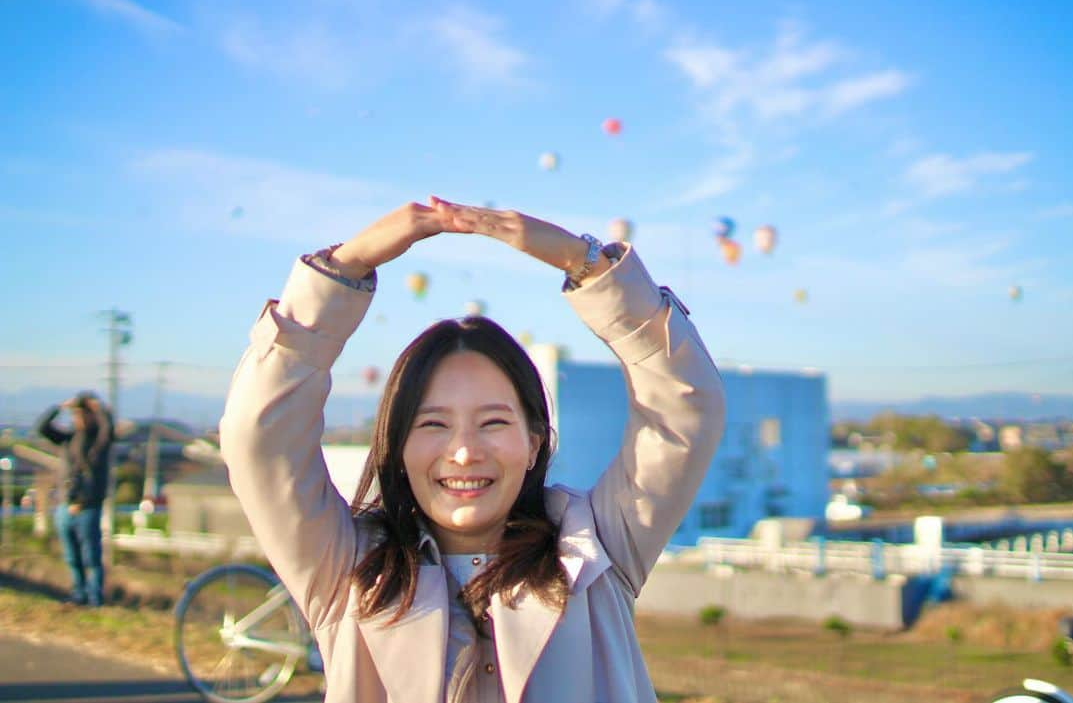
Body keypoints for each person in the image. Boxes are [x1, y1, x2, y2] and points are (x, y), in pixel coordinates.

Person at [220, 196, 725, 703]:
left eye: (493, 422)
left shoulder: (598, 550)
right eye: (434, 424)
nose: (463, 451)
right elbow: (259, 438)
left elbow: (684, 407)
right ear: (396, 448)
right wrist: (342, 271)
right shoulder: (345, 568)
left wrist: (585, 262)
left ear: (533, 443)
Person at [35, 391, 114, 607]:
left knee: (91, 558)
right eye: (75, 414)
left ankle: (94, 599)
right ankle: (78, 595)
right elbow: (42, 428)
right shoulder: (68, 439)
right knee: (72, 557)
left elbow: (108, 430)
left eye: (82, 414)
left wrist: (101, 409)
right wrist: (59, 407)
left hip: (89, 507)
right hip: (65, 505)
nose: (77, 419)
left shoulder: (99, 440)